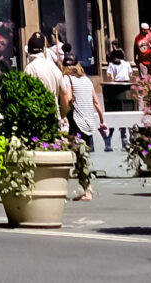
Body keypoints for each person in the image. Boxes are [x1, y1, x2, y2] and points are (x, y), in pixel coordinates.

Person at [66, 52, 104, 200]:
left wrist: (63, 111)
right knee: (84, 155)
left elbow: (68, 98)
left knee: (78, 157)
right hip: (89, 123)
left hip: (77, 122)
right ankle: (87, 186)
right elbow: (96, 102)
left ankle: (86, 190)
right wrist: (102, 120)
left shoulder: (68, 79)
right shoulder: (87, 81)